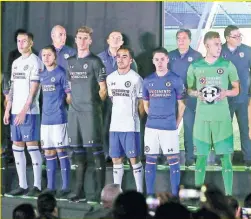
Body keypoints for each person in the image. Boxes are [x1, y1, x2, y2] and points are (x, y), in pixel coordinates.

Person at [187, 31, 239, 195]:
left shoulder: (227, 65)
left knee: (226, 158)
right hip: (202, 118)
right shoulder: (195, 66)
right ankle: (198, 196)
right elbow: (189, 89)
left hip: (222, 118)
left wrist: (226, 93)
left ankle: (229, 195)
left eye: (220, 44)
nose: (219, 47)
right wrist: (197, 94)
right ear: (206, 45)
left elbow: (237, 89)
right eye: (216, 44)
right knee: (201, 158)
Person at [66, 26, 107, 202]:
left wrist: (94, 105)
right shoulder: (69, 62)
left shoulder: (96, 62)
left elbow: (104, 89)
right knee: (77, 152)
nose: (82, 41)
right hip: (74, 113)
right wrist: (73, 104)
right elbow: (69, 90)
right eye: (79, 38)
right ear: (75, 40)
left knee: (96, 151)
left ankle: (100, 192)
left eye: (85, 38)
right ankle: (78, 191)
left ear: (90, 40)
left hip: (90, 112)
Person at [3, 31, 44, 196]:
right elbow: (12, 87)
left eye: (24, 41)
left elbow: (33, 91)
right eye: (19, 41)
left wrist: (23, 111)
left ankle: (37, 186)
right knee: (17, 147)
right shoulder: (16, 63)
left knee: (32, 147)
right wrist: (8, 109)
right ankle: (22, 185)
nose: (21, 44)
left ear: (31, 43)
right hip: (15, 112)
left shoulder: (35, 61)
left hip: (30, 113)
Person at [142, 47, 186, 196]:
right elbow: (145, 104)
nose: (160, 62)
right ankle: (149, 195)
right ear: (153, 61)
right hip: (151, 128)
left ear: (167, 59)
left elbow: (182, 104)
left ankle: (175, 196)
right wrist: (153, 116)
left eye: (162, 59)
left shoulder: (175, 79)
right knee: (150, 160)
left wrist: (176, 122)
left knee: (173, 161)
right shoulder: (148, 80)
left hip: (169, 127)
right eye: (157, 59)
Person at [107, 46, 144, 192]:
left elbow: (141, 103)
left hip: (130, 126)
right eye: (118, 56)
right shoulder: (110, 78)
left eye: (124, 56)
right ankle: (118, 192)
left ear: (130, 60)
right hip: (114, 126)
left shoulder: (136, 79)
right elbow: (112, 100)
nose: (120, 59)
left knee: (134, 159)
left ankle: (140, 191)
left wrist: (134, 118)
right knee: (116, 159)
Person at [98, 31, 138, 161]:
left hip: (124, 102)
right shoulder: (99, 58)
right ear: (108, 40)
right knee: (104, 127)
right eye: (112, 37)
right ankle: (106, 154)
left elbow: (135, 82)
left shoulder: (131, 61)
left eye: (118, 38)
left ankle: (125, 155)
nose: (115, 40)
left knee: (124, 129)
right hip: (105, 101)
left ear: (122, 42)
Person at [39, 45, 71, 198]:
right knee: (48, 152)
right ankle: (51, 187)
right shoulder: (41, 74)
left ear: (55, 56)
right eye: (43, 55)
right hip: (45, 120)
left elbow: (69, 96)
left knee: (61, 152)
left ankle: (65, 187)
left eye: (49, 55)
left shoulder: (61, 73)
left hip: (59, 118)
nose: (46, 58)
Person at [168, 29, 202, 167]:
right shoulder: (170, 55)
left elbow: (201, 78)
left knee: (189, 128)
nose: (181, 41)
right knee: (170, 128)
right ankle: (169, 156)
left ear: (189, 40)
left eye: (184, 38)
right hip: (171, 98)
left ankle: (190, 158)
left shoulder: (197, 56)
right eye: (178, 38)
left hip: (190, 99)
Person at [221, 25, 251, 167]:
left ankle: (248, 159)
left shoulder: (247, 50)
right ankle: (226, 158)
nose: (239, 38)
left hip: (243, 98)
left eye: (240, 35)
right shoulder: (219, 51)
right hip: (224, 100)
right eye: (235, 36)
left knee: (245, 129)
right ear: (227, 38)